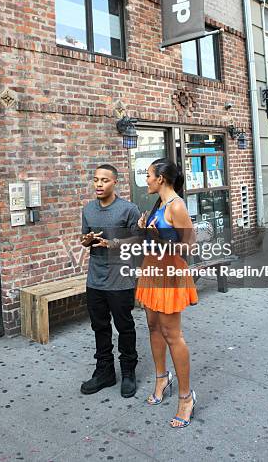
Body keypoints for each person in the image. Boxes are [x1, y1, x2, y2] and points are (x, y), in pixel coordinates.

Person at [136, 158, 198, 428]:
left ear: (161, 178)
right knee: (152, 327)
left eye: (148, 175)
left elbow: (190, 247)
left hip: (170, 276)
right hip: (151, 273)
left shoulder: (177, 206)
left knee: (173, 336)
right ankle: (162, 377)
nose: (146, 179)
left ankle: (186, 398)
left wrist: (160, 239)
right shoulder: (157, 205)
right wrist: (144, 233)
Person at [80, 164, 140, 398]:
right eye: (95, 180)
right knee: (100, 326)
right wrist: (87, 240)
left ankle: (128, 372)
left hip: (120, 278)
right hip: (95, 278)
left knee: (124, 326)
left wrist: (114, 244)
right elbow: (85, 240)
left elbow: (139, 239)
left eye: (104, 180)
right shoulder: (88, 210)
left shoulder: (129, 209)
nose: (98, 184)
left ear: (115, 182)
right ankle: (104, 371)